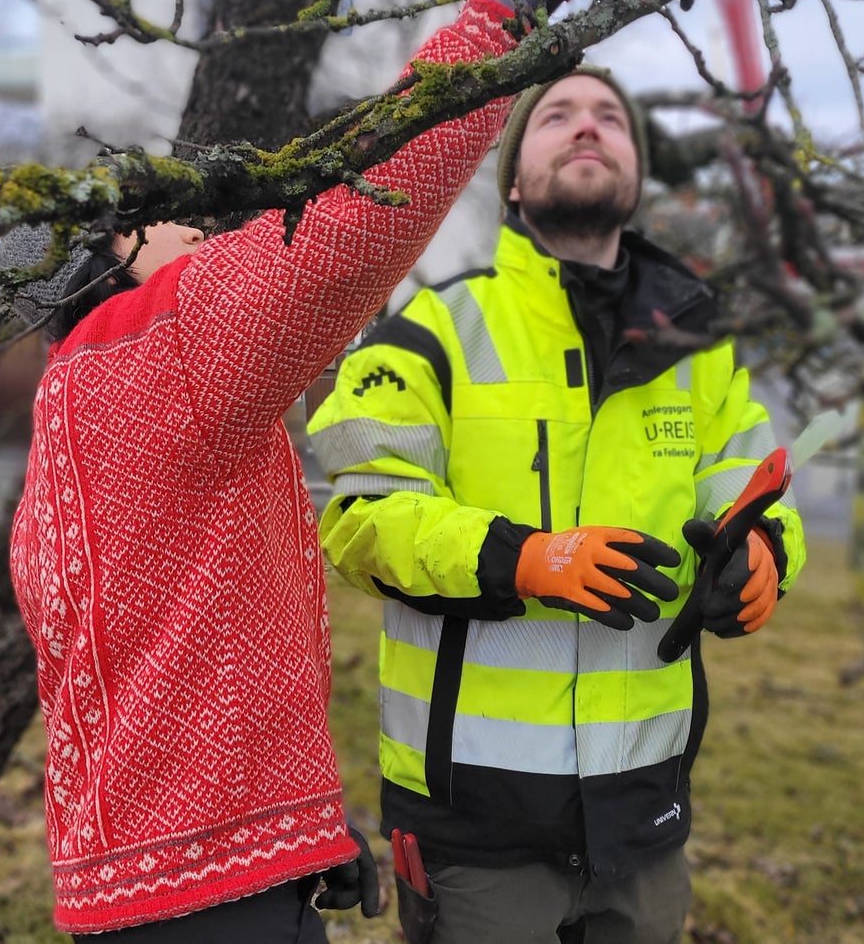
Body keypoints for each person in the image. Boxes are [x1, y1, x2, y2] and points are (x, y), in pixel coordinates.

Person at [2, 0, 600, 942]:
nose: (200, 220)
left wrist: (298, 832)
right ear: (111, 247)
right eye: (169, 208)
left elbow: (172, 650)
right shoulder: (165, 340)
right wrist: (499, 16)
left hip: (136, 882)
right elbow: (360, 215)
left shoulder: (70, 395)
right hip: (205, 906)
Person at [308, 67, 806, 944]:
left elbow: (749, 479)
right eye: (557, 116)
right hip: (475, 820)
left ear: (635, 171)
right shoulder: (428, 329)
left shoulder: (698, 345)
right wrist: (524, 558)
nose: (587, 128)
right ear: (510, 176)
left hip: (644, 810)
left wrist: (763, 554)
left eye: (611, 117)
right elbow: (361, 517)